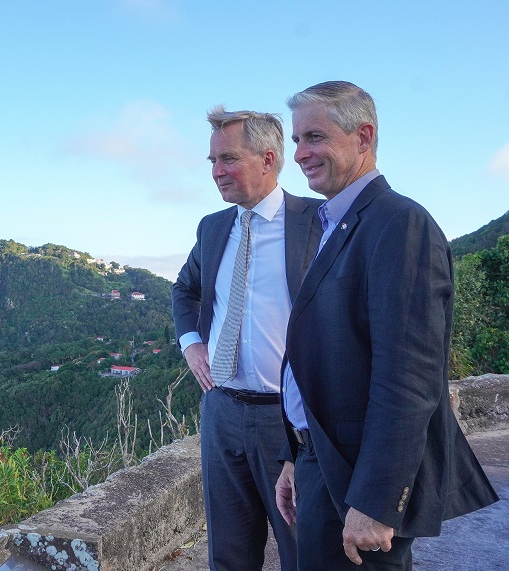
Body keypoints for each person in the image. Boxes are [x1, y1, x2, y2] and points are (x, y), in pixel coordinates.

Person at [275, 81, 499, 570]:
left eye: (314, 137)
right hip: (324, 462)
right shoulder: (338, 222)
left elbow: (409, 378)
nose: (300, 154)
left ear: (363, 136)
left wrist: (377, 502)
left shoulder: (399, 224)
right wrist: (296, 454)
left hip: (358, 484)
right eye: (296, 140)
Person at [172, 106, 322, 571]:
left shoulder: (317, 223)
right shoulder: (214, 227)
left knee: (303, 549)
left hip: (289, 420)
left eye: (228, 159)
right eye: (212, 161)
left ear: (268, 159)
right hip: (221, 410)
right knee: (229, 553)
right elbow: (184, 288)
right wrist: (191, 341)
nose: (217, 172)